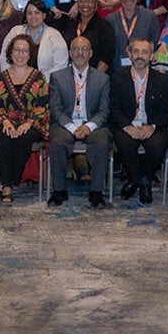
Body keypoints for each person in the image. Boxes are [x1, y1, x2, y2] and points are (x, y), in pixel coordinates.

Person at [44, 36, 113, 209]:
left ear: (90, 53)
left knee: (101, 143)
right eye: (75, 49)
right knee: (57, 142)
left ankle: (96, 191)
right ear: (69, 53)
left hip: (92, 124)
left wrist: (88, 127)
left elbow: (104, 111)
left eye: (84, 49)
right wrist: (73, 128)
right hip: (65, 124)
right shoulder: (57, 77)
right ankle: (59, 190)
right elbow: (55, 109)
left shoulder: (102, 79)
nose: (79, 53)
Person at [0, 34, 48, 205]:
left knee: (23, 138)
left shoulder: (39, 77)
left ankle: (6, 184)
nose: (20, 54)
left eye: (25, 51)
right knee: (4, 137)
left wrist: (28, 123)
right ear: (10, 52)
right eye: (17, 50)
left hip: (31, 123)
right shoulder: (0, 77)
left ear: (30, 54)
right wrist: (5, 121)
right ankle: (8, 185)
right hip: (4, 121)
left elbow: (42, 105)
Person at [109, 37, 168, 206]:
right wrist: (127, 126)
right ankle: (143, 182)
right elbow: (113, 110)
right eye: (135, 51)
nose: (140, 56)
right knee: (125, 143)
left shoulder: (162, 80)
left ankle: (136, 181)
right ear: (129, 53)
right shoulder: (118, 78)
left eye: (145, 52)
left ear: (152, 56)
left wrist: (152, 126)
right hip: (127, 125)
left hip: (151, 126)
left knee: (158, 145)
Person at [5, 0, 67, 77]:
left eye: (37, 13)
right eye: (29, 13)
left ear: (44, 15)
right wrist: (10, 78)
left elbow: (61, 65)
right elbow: (4, 57)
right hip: (16, 80)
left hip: (45, 83)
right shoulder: (15, 32)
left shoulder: (54, 36)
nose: (33, 16)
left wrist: (41, 81)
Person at [109, 0, 160, 72]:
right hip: (117, 73)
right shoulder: (110, 20)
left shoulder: (150, 16)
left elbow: (155, 43)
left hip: (144, 71)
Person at [61, 0, 116, 73]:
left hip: (96, 78)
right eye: (82, 1)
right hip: (72, 76)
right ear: (77, 3)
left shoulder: (104, 26)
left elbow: (106, 57)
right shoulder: (70, 25)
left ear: (96, 5)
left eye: (90, 2)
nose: (86, 5)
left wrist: (93, 81)